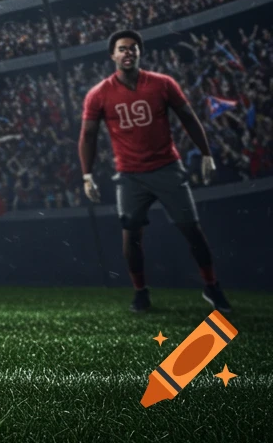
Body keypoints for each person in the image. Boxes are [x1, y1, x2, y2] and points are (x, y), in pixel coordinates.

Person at [79, 29, 231, 314]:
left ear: (140, 53)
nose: (128, 52)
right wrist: (87, 175)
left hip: (167, 167)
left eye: (133, 48)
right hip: (129, 174)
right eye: (122, 48)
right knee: (131, 237)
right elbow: (88, 135)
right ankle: (140, 292)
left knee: (192, 230)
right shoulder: (99, 93)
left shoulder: (162, 83)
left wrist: (207, 153)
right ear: (113, 55)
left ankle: (212, 287)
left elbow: (188, 117)